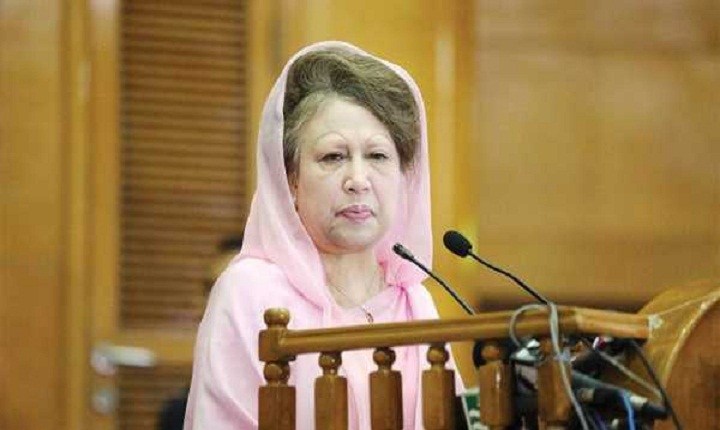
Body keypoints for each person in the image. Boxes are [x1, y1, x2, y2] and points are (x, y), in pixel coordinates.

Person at [183, 41, 462, 430]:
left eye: (378, 156)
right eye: (334, 157)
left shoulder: (414, 300)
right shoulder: (249, 291)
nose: (358, 180)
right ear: (290, 180)